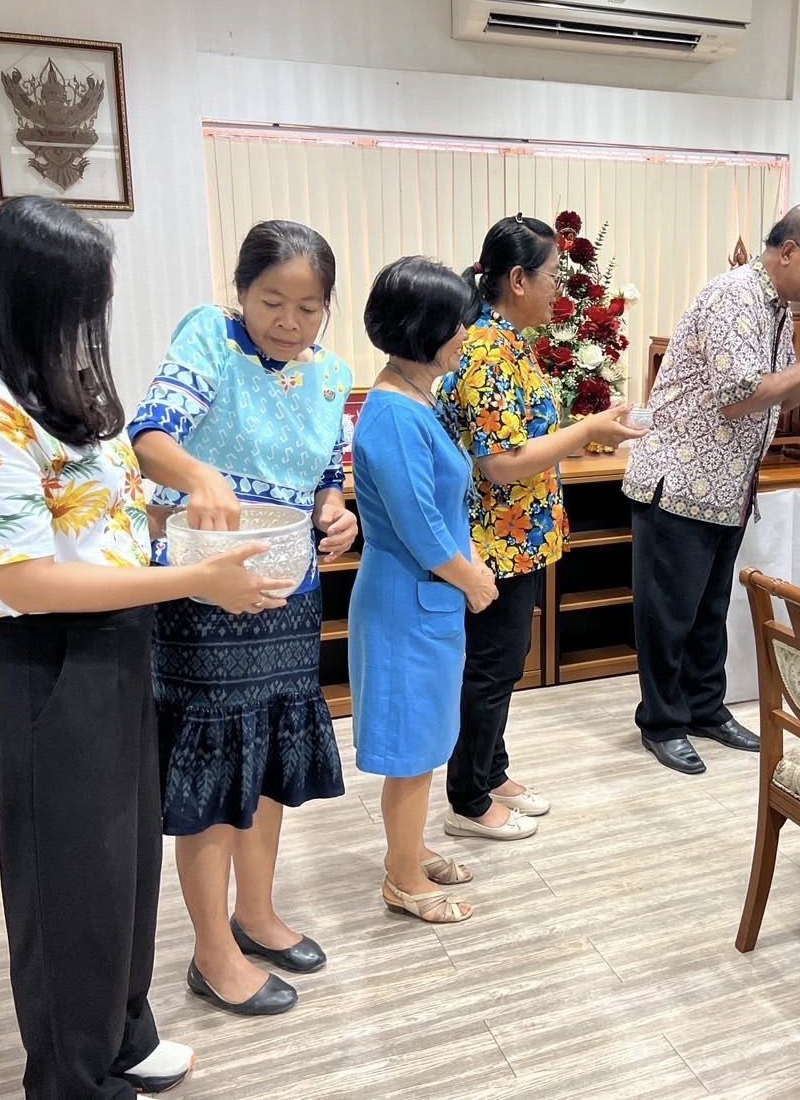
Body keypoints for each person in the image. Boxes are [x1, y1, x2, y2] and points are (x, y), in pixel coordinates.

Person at [0, 196, 293, 1098]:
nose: (92, 322)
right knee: (66, 890)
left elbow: (92, 512)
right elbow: (25, 580)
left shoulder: (39, 380)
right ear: (29, 293)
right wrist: (195, 580)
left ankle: (123, 1034)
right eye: (82, 299)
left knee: (122, 866)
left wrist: (181, 517)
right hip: (43, 665)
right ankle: (75, 1080)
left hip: (111, 646)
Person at [130, 220, 358, 1016]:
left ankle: (255, 913)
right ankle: (211, 952)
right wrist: (197, 474)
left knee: (266, 761)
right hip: (204, 593)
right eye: (272, 300)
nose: (288, 322)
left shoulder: (330, 373)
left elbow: (331, 468)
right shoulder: (210, 340)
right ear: (241, 289)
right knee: (218, 769)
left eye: (308, 307)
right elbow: (149, 434)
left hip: (287, 591)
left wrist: (337, 509)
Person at [623, 203, 800, 775]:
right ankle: (662, 722)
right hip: (682, 479)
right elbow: (737, 394)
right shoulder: (734, 296)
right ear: (788, 251)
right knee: (669, 614)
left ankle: (706, 708)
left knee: (709, 609)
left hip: (727, 486)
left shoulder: (778, 307)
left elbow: (776, 395)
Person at [438, 215, 644, 839]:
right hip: (491, 541)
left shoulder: (509, 343)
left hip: (518, 536)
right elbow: (499, 465)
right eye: (553, 275)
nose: (560, 287)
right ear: (518, 279)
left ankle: (491, 769)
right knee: (492, 666)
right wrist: (587, 431)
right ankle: (468, 798)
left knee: (504, 662)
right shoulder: (484, 351)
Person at [349, 256, 497, 922]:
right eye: (458, 323)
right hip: (407, 600)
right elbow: (417, 522)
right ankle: (403, 879)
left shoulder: (414, 398)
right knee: (411, 747)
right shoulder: (390, 413)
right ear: (423, 328)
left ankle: (406, 850)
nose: (466, 334)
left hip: (421, 598)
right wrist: (470, 577)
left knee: (427, 736)